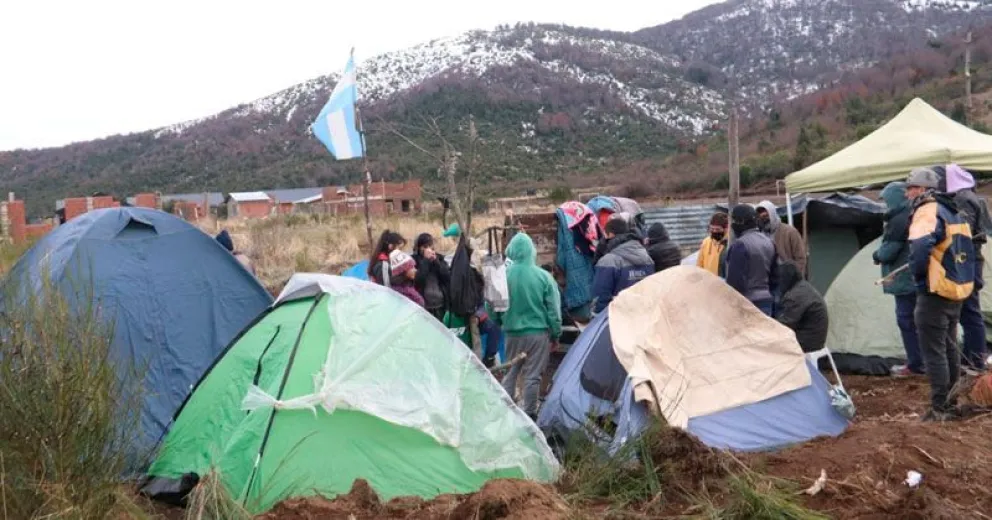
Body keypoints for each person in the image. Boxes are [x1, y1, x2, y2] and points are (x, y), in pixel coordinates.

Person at [906, 167, 976, 421]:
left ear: (924, 189)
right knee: (948, 347)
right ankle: (950, 401)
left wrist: (919, 276)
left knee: (934, 350)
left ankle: (939, 408)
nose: (908, 193)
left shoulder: (927, 210)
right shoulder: (954, 211)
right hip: (955, 288)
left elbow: (920, 246)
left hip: (935, 289)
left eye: (911, 187)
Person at [501, 232, 562, 419]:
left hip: (512, 333)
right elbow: (554, 310)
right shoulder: (544, 277)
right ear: (532, 252)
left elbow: (491, 304)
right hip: (538, 334)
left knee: (511, 372)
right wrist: (555, 333)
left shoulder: (503, 276)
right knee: (533, 376)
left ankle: (506, 412)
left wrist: (501, 322)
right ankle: (530, 415)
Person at [873, 181, 925, 376]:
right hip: (914, 276)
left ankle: (915, 364)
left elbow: (889, 251)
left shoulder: (899, 218)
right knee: (920, 320)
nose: (885, 205)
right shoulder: (913, 213)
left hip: (904, 278)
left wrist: (877, 256)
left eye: (886, 201)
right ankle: (923, 361)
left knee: (906, 320)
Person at [946, 164, 992, 372]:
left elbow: (963, 232)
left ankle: (975, 360)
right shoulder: (975, 198)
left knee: (969, 312)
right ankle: (972, 358)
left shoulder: (963, 199)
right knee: (969, 312)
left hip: (967, 262)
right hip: (973, 260)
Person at [591, 218, 655, 314]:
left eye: (605, 235)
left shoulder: (608, 261)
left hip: (618, 321)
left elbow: (600, 299)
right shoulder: (648, 258)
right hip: (644, 317)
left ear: (611, 235)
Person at [725, 204, 778, 316]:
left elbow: (735, 282)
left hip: (747, 304)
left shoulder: (740, 245)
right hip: (767, 301)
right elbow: (775, 277)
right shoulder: (769, 242)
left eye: (733, 221)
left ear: (740, 222)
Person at [775, 261, 828, 353]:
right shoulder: (803, 287)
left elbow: (785, 324)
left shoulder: (795, 296)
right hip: (816, 340)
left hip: (807, 343)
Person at [368, 230, 425, 307]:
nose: (401, 252)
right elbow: (386, 286)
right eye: (399, 248)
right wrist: (405, 276)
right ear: (390, 246)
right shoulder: (382, 264)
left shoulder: (394, 260)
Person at [757, 201, 807, 277]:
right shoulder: (759, 235)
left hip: (787, 278)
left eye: (766, 216)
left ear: (772, 214)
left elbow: (801, 258)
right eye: (761, 216)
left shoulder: (790, 232)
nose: (764, 219)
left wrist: (792, 276)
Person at [412, 233, 450, 321]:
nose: (428, 249)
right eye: (425, 246)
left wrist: (436, 262)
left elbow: (447, 277)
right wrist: (426, 260)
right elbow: (418, 280)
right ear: (418, 247)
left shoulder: (439, 259)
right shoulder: (414, 261)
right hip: (423, 306)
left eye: (430, 246)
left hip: (440, 304)